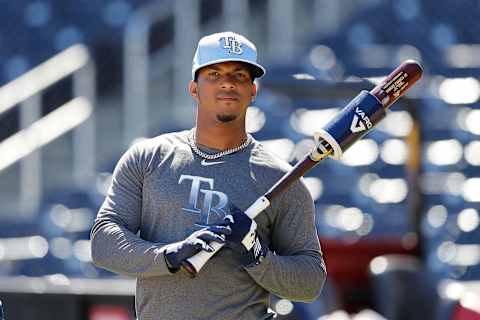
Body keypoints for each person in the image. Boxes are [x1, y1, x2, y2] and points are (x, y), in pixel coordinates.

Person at [90, 31, 326, 320]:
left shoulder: (281, 180)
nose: (227, 82)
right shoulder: (147, 158)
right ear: (193, 88)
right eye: (214, 73)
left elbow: (311, 282)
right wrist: (168, 255)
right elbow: (103, 242)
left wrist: (258, 256)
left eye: (240, 75)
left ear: (253, 90)